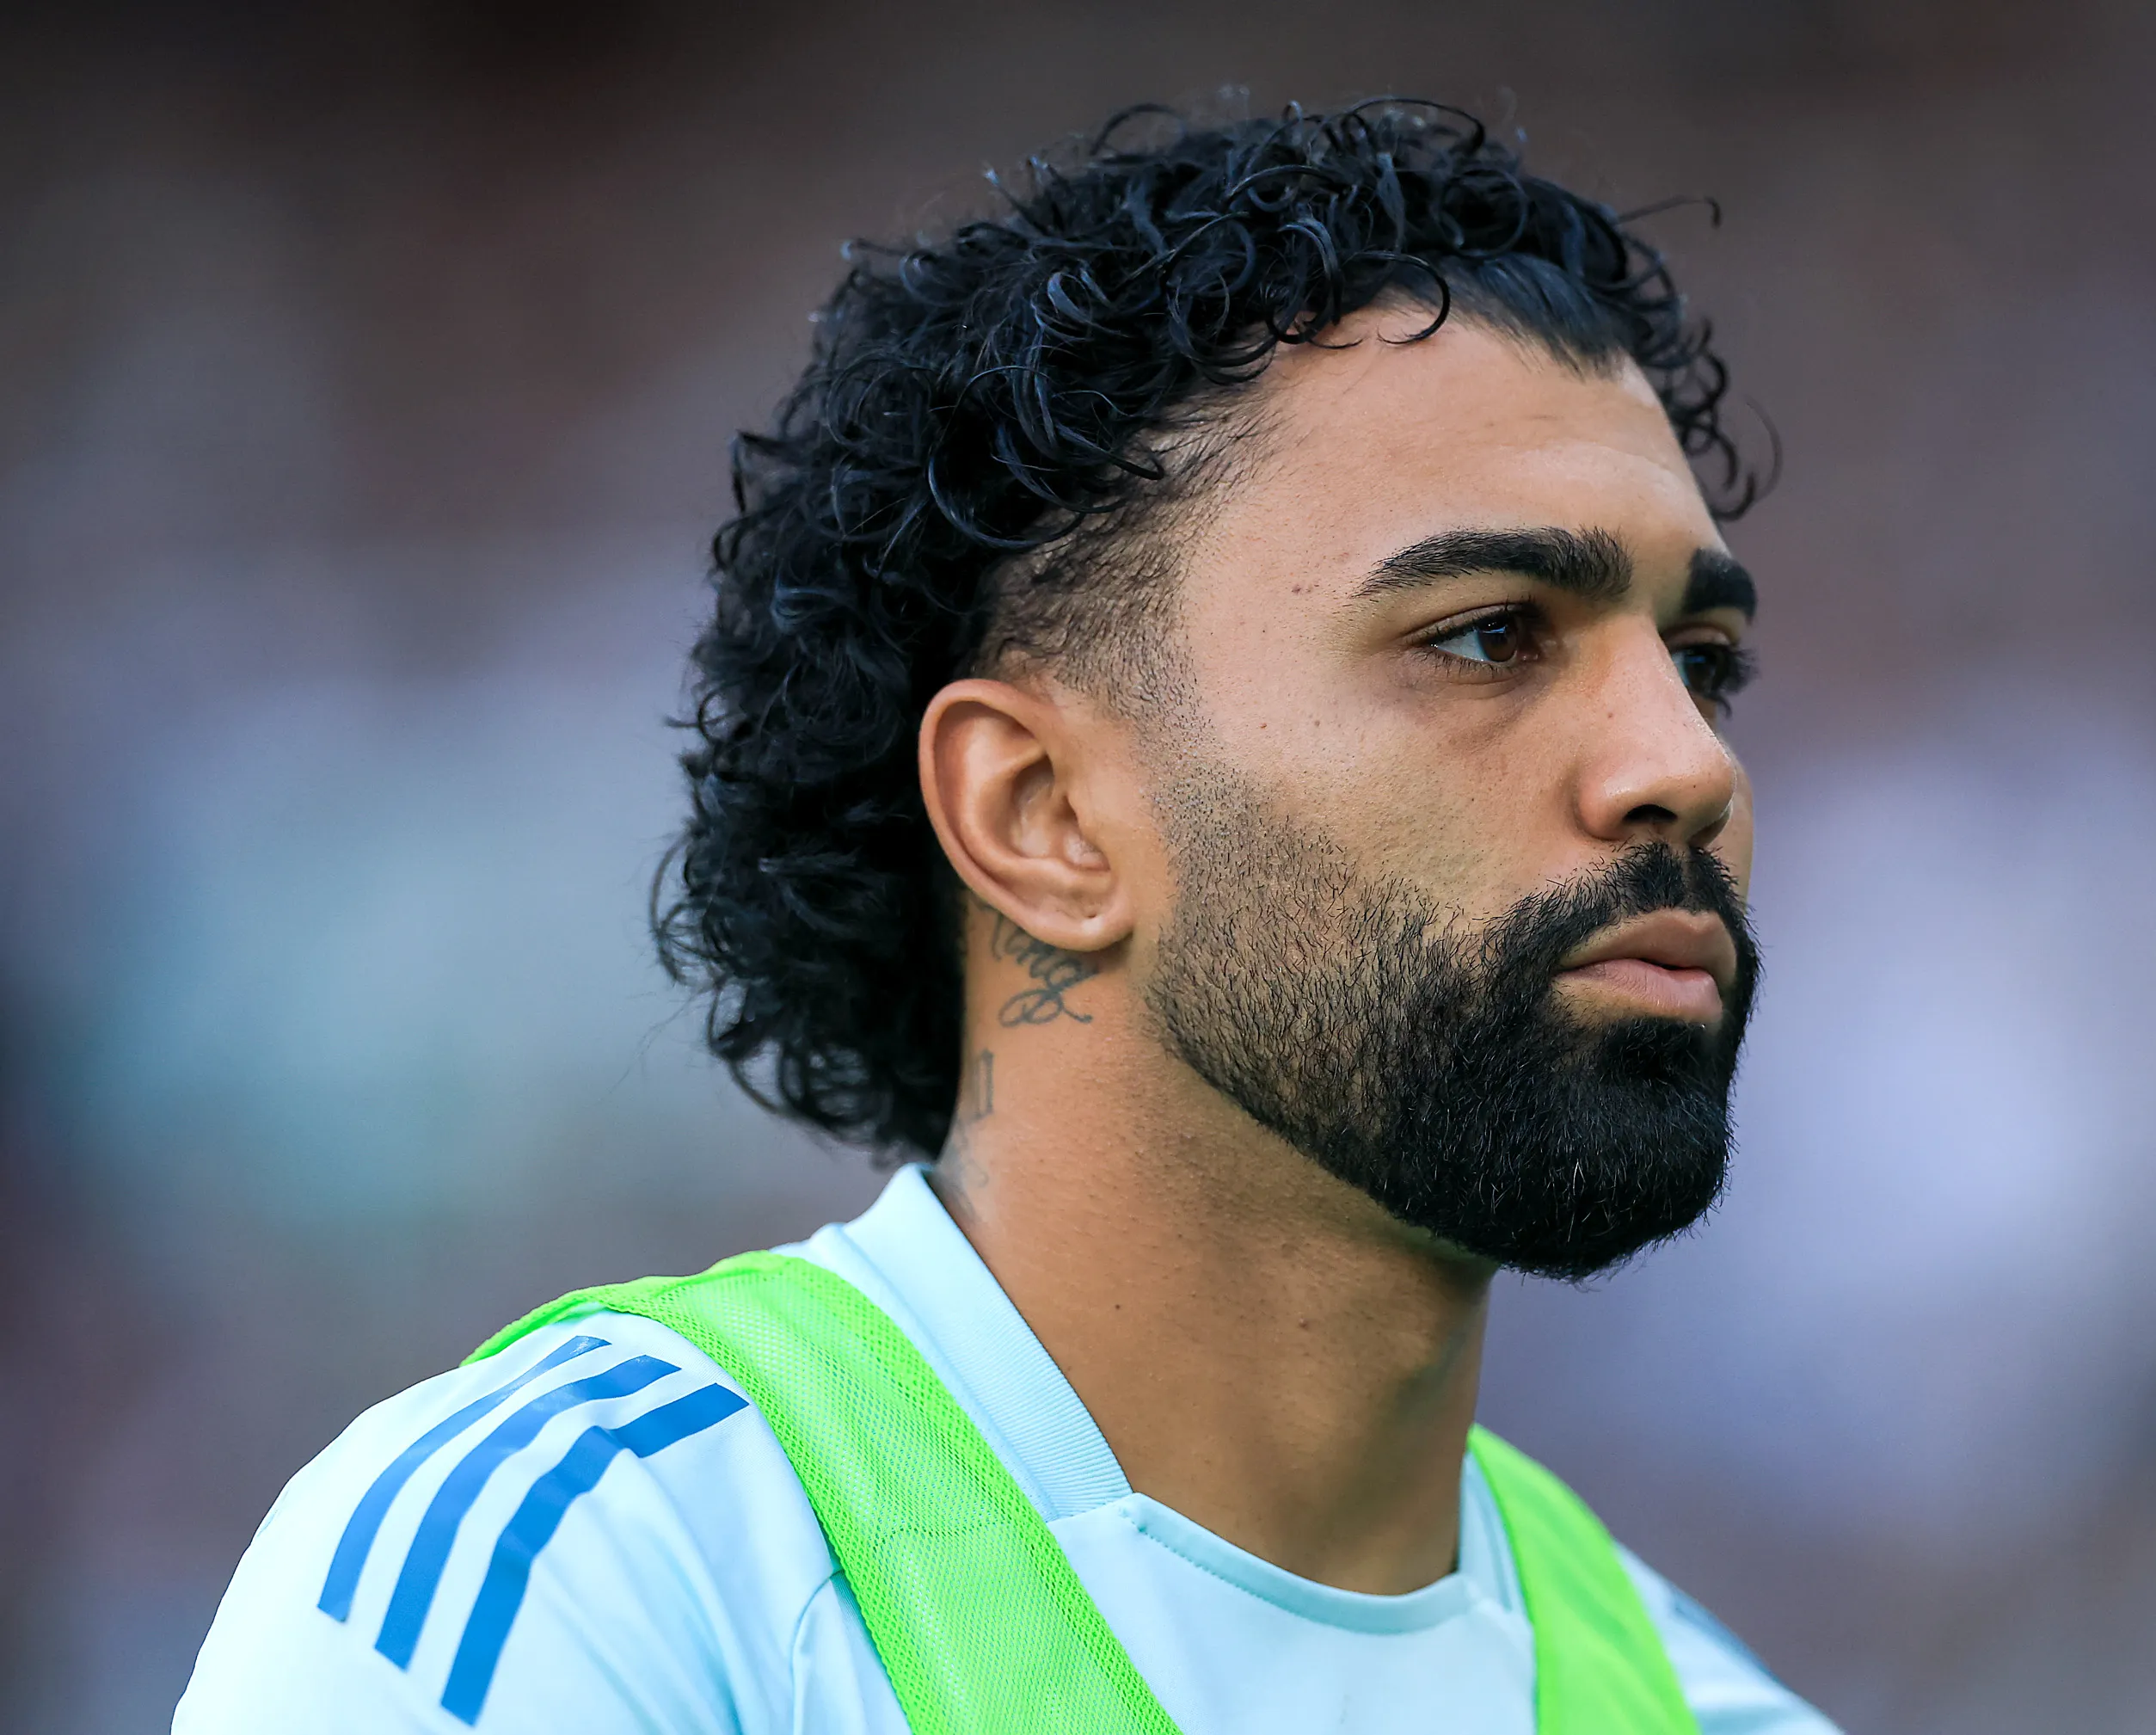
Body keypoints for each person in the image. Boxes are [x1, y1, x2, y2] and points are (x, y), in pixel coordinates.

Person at [176, 102, 1838, 1734]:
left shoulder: (1716, 1709)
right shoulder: (591, 1586)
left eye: (1700, 664)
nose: (1687, 766)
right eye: (1487, 636)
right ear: (1039, 814)